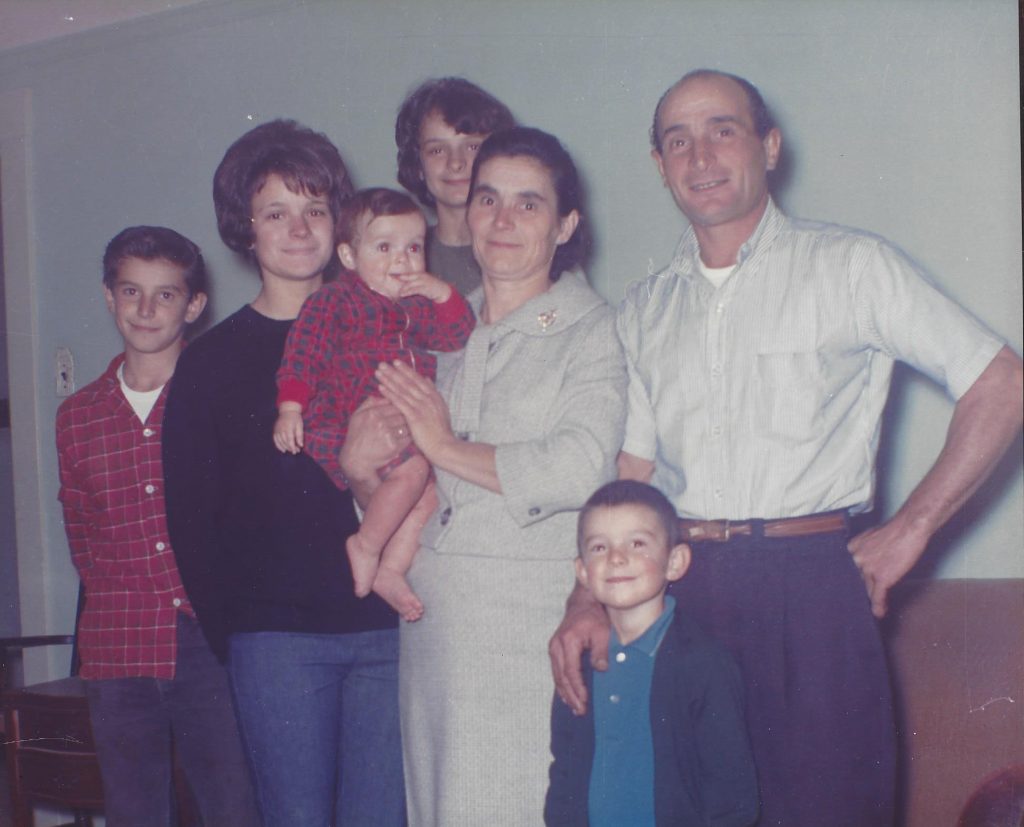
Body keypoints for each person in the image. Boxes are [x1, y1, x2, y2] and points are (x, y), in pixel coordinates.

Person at [549, 70, 1024, 827]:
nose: (700, 154)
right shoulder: (643, 309)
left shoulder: (851, 268)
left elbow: (1000, 382)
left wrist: (913, 527)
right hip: (678, 591)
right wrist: (586, 598)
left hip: (813, 592)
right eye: (678, 139)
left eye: (722, 129)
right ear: (658, 165)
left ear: (768, 146)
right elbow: (631, 476)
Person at [358, 126, 626, 825]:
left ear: (566, 224)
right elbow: (410, 475)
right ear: (467, 211)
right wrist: (361, 468)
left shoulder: (592, 329)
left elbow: (579, 463)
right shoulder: (437, 327)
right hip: (432, 618)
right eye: (488, 199)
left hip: (522, 621)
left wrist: (445, 445)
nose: (503, 220)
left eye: (529, 204)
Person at [163, 120, 405, 827]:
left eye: (315, 210)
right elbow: (192, 522)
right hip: (276, 646)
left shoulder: (394, 331)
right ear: (246, 228)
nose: (298, 230)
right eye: (276, 212)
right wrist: (238, 636)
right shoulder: (210, 363)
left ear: (340, 224)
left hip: (389, 633)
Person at [56, 226, 260, 827]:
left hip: (209, 641)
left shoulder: (219, 397)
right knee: (133, 809)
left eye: (165, 295)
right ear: (109, 297)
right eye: (131, 292)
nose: (146, 310)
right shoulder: (78, 416)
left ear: (194, 305)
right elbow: (82, 531)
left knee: (233, 804)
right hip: (118, 648)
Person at [274, 188, 475, 621]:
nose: (401, 261)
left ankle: (389, 568)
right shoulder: (334, 301)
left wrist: (442, 294)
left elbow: (456, 335)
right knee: (416, 475)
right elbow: (303, 353)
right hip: (342, 422)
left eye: (414, 248)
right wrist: (290, 407)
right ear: (348, 257)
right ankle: (364, 545)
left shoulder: (416, 308)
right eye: (384, 248)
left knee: (425, 495)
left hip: (399, 430)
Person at [545, 480, 758, 827]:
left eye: (637, 543)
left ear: (674, 562)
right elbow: (565, 772)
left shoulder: (703, 664)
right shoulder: (580, 664)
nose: (616, 557)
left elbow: (731, 793)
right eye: (599, 547)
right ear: (583, 572)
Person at [395, 76, 514, 295]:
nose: (456, 163)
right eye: (437, 150)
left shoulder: (527, 248)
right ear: (418, 165)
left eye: (471, 147)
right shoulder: (398, 256)